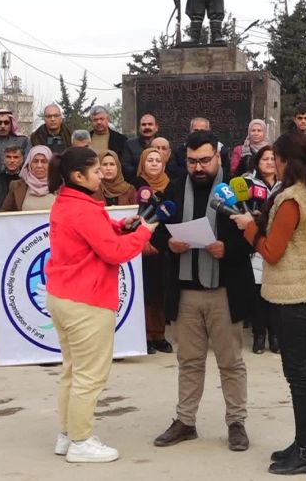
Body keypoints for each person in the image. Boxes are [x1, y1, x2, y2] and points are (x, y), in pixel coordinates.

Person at [230, 131, 306, 475]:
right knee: (305, 371)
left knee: (299, 375)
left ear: (287, 161)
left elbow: (271, 253)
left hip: (297, 297)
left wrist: (249, 227)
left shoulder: (291, 199)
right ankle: (305, 442)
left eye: (275, 159)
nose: (272, 165)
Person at [45, 147, 159, 463]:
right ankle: (81, 441)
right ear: (77, 176)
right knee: (89, 375)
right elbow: (113, 253)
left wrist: (123, 226)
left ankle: (68, 435)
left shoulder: (67, 202)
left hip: (63, 296)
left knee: (72, 371)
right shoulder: (83, 209)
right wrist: (143, 234)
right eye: (95, 171)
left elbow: (96, 234)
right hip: (86, 300)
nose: (102, 174)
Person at [151, 131, 253, 453]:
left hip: (225, 289)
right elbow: (156, 228)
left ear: (218, 158)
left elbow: (253, 233)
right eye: (193, 161)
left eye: (205, 161)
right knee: (189, 361)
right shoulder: (175, 186)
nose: (198, 167)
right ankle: (185, 421)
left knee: (230, 362)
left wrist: (230, 248)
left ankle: (236, 423)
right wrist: (168, 243)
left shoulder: (236, 188)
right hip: (185, 291)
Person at [134, 146, 172, 354]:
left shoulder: (170, 186)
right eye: (150, 160)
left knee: (160, 291)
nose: (154, 163)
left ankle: (159, 335)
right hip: (139, 246)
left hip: (163, 246)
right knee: (144, 292)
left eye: (158, 160)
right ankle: (144, 336)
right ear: (143, 163)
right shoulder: (136, 186)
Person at [246, 145, 279, 354]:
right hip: (256, 243)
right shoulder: (248, 184)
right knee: (258, 293)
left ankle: (275, 335)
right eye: (265, 158)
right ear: (258, 162)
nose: (269, 162)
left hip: (279, 243)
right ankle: (259, 335)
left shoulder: (285, 186)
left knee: (275, 293)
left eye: (273, 158)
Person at [2, 145, 56, 211]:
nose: (39, 166)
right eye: (35, 161)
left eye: (44, 161)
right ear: (29, 164)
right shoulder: (17, 186)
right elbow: (4, 214)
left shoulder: (60, 186)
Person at [121, 114, 159, 180]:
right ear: (139, 128)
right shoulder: (129, 144)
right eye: (143, 125)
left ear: (156, 127)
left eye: (150, 124)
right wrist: (144, 171)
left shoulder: (162, 144)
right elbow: (126, 167)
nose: (147, 127)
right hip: (137, 182)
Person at [0, 146, 25, 211]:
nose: (12, 160)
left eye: (16, 157)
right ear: (3, 159)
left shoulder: (27, 180)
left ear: (22, 160)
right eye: (8, 157)